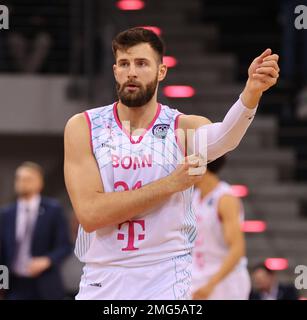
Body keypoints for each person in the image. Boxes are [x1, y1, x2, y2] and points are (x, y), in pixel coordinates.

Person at [64, 27, 280, 300]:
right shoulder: (83, 126)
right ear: (115, 71)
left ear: (161, 71)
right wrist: (169, 185)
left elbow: (225, 137)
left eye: (141, 63)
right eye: (124, 63)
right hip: (101, 277)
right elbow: (91, 214)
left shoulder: (183, 127)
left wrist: (251, 93)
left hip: (165, 277)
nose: (131, 71)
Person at [0, 162, 72, 300]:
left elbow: (65, 246)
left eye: (28, 179)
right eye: (19, 178)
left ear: (40, 182)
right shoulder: (6, 213)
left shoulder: (53, 210)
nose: (22, 182)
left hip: (45, 283)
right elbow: (2, 253)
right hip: (15, 285)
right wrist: (2, 284)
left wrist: (47, 260)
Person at [191, 156, 250, 300]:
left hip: (225, 281)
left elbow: (237, 249)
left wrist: (211, 284)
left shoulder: (224, 198)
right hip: (199, 276)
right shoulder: (194, 197)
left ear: (202, 167)